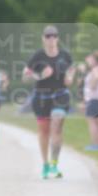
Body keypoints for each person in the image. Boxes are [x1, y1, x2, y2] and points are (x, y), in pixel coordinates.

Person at [23, 25, 75, 180]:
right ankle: (45, 164)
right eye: (48, 36)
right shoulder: (37, 56)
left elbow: (71, 69)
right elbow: (25, 76)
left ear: (58, 38)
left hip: (60, 96)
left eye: (54, 36)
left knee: (57, 126)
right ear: (43, 39)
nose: (51, 39)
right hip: (41, 98)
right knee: (44, 131)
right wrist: (40, 76)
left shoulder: (65, 55)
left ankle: (54, 163)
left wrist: (70, 77)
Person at [83, 51, 98, 151]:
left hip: (94, 99)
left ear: (94, 60)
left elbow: (97, 78)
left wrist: (92, 85)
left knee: (92, 121)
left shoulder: (96, 69)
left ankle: (95, 144)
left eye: (90, 59)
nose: (88, 61)